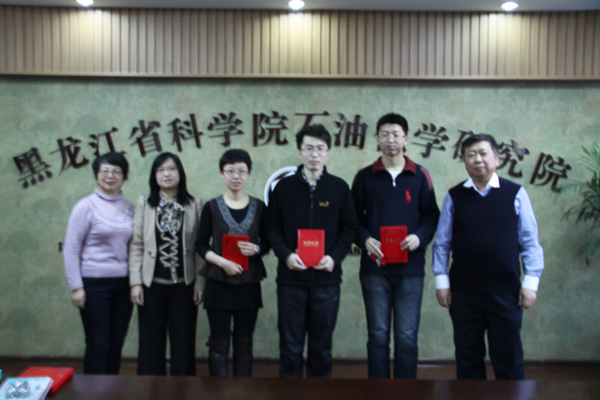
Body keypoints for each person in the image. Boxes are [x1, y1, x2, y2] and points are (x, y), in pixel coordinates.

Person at [431, 133, 544, 380]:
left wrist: (530, 283)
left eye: (483, 153)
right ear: (464, 161)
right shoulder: (454, 196)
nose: (477, 159)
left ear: (497, 159)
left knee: (508, 356)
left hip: (506, 291)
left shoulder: (515, 193)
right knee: (468, 356)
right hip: (463, 292)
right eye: (471, 155)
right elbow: (442, 243)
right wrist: (442, 282)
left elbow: (530, 242)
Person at [351, 113, 440, 379]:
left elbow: (431, 216)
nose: (391, 139)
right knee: (378, 335)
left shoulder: (420, 175)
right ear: (377, 139)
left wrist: (419, 237)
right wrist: (365, 239)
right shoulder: (364, 177)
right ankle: (378, 390)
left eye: (396, 134)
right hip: (374, 269)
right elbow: (352, 219)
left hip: (410, 270)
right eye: (385, 134)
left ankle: (406, 391)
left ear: (406, 139)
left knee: (407, 336)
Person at [266, 124, 357, 378]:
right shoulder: (283, 188)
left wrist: (334, 258)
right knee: (290, 347)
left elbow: (349, 228)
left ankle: (319, 392)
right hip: (291, 281)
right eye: (308, 148)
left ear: (328, 153)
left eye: (320, 148)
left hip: (326, 280)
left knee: (321, 348)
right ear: (299, 152)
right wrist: (286, 254)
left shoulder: (339, 188)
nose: (314, 154)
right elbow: (271, 227)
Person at [129, 152, 205, 376]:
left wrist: (201, 283)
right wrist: (135, 283)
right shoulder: (144, 203)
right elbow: (137, 245)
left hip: (184, 286)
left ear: (180, 172)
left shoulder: (194, 204)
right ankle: (151, 388)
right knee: (150, 345)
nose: (166, 174)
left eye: (172, 168)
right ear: (154, 176)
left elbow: (200, 247)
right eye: (160, 170)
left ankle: (183, 388)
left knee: (184, 343)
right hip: (151, 286)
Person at [195, 149, 270, 377]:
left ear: (249, 174)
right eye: (230, 171)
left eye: (241, 171)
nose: (236, 176)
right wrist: (222, 262)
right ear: (221, 173)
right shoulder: (211, 207)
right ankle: (218, 390)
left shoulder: (260, 207)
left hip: (249, 283)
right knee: (218, 343)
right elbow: (201, 245)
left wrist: (257, 249)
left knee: (244, 343)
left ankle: (242, 389)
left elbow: (268, 242)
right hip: (218, 283)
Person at [63, 151, 134, 374]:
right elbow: (71, 248)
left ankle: (110, 387)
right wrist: (76, 287)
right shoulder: (85, 206)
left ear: (124, 176)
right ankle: (94, 390)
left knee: (116, 341)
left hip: (124, 284)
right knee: (98, 343)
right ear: (96, 175)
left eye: (116, 171)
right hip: (94, 285)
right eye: (105, 171)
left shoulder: (129, 208)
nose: (110, 176)